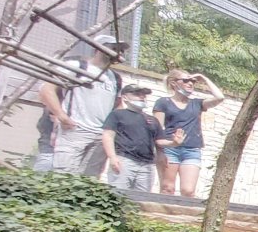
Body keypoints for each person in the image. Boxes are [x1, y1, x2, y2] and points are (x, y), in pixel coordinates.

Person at [37, 34, 127, 177]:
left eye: (121, 50)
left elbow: (117, 106)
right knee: (64, 176)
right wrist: (61, 115)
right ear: (99, 48)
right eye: (115, 48)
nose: (119, 53)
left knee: (90, 179)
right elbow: (46, 89)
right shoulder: (77, 66)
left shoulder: (115, 78)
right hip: (75, 130)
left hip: (99, 135)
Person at [153, 68, 224, 198]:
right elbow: (157, 130)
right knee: (167, 188)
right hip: (170, 149)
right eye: (186, 80)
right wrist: (160, 153)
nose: (190, 83)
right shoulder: (163, 102)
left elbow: (220, 97)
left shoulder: (196, 103)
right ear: (173, 83)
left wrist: (204, 78)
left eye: (192, 81)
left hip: (191, 149)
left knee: (188, 191)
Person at [101, 84, 169, 192]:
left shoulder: (152, 120)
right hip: (124, 160)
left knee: (142, 201)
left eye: (144, 95)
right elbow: (108, 136)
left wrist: (174, 142)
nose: (142, 97)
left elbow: (159, 141)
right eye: (137, 94)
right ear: (124, 97)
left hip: (147, 165)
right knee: (118, 195)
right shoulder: (117, 115)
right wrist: (112, 157)